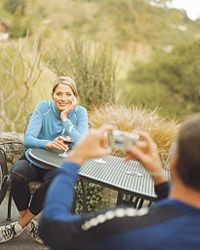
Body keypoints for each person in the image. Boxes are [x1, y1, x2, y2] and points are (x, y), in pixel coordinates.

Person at [39, 114, 200, 250]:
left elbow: (52, 228)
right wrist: (159, 177)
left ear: (174, 162)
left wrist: (74, 158)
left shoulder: (126, 228)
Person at [0, 76, 88, 244]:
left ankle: (18, 226)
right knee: (17, 175)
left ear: (75, 96)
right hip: (33, 161)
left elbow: (81, 141)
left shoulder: (80, 113)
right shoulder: (43, 108)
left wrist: (65, 118)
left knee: (55, 182)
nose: (63, 98)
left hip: (57, 166)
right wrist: (47, 144)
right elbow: (28, 139)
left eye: (68, 94)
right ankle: (28, 223)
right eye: (59, 93)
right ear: (52, 95)